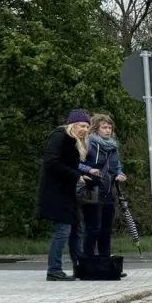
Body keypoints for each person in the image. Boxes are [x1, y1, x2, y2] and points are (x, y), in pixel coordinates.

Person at [38, 110, 97, 281]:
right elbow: (52, 162)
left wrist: (82, 175)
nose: (85, 129)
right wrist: (76, 175)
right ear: (72, 125)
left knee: (77, 229)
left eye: (87, 126)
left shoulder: (73, 142)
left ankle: (80, 267)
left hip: (68, 192)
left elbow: (69, 164)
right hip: (56, 192)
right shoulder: (60, 137)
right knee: (62, 230)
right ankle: (54, 269)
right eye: (81, 125)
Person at [83, 114, 126, 260]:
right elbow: (76, 163)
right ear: (96, 129)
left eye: (109, 128)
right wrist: (88, 170)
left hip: (109, 191)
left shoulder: (114, 147)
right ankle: (87, 261)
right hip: (92, 190)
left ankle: (104, 261)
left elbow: (117, 167)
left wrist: (120, 174)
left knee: (106, 229)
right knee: (93, 228)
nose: (108, 130)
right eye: (104, 127)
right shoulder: (88, 144)